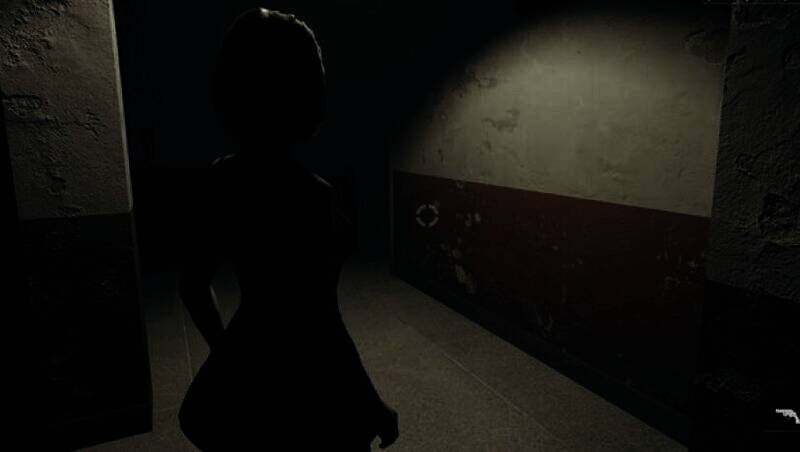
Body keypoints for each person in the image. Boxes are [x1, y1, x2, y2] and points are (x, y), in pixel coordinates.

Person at [177, 8, 399, 451]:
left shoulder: (220, 179)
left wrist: (228, 354)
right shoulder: (312, 195)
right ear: (305, 94)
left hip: (246, 350)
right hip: (308, 376)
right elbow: (322, 319)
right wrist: (372, 401)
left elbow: (193, 285)